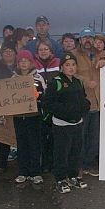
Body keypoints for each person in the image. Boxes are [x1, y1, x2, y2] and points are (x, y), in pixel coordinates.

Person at [43, 53, 91, 193]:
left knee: (75, 151)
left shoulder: (78, 82)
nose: (71, 68)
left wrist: (84, 107)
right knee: (61, 152)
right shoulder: (56, 82)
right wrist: (65, 112)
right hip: (62, 124)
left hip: (77, 123)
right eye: (67, 65)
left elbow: (83, 99)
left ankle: (73, 176)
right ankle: (60, 179)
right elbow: (48, 103)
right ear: (62, 67)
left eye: (73, 65)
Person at [71, 27, 105, 176]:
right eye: (84, 38)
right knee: (80, 136)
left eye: (90, 38)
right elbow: (70, 73)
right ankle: (78, 166)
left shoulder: (101, 54)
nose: (87, 41)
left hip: (99, 103)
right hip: (82, 102)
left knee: (94, 137)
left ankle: (89, 164)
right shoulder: (73, 55)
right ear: (80, 40)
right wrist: (86, 82)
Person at [13, 50, 46, 184]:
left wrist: (38, 96)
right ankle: (23, 172)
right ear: (18, 63)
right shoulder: (13, 79)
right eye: (21, 61)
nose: (24, 63)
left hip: (34, 116)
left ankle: (35, 172)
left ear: (31, 62)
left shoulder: (38, 78)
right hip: (19, 117)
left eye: (26, 60)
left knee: (34, 144)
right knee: (22, 144)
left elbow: (44, 94)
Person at [33, 39, 60, 173]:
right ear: (37, 52)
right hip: (40, 105)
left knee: (55, 136)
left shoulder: (58, 63)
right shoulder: (33, 64)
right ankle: (44, 163)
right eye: (40, 49)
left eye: (46, 49)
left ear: (51, 51)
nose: (43, 52)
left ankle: (55, 162)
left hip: (55, 104)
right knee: (42, 136)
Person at [0, 42, 17, 174]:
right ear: (1, 54)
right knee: (3, 137)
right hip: (3, 107)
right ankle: (1, 163)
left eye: (11, 50)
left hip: (18, 106)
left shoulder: (20, 67)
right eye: (5, 51)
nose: (8, 53)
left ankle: (21, 164)